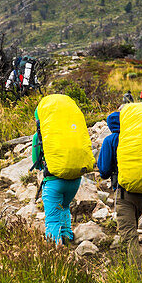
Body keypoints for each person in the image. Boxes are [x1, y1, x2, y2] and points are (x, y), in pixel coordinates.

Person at [32, 94, 93, 245]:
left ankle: (55, 250)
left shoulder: (41, 136)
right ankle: (67, 237)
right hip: (75, 180)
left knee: (52, 219)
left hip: (54, 181)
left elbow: (36, 162)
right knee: (64, 207)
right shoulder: (72, 132)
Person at [97, 109, 142, 261]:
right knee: (131, 226)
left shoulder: (110, 140)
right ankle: (126, 264)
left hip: (124, 192)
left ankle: (136, 277)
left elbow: (104, 170)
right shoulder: (136, 137)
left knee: (129, 235)